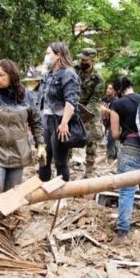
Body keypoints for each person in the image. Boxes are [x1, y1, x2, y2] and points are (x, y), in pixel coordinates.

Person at [0, 59, 45, 195]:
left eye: (1, 75)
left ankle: (4, 217)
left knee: (12, 193)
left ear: (11, 76)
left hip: (18, 151)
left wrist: (40, 143)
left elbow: (35, 121)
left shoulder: (26, 96)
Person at [108, 77, 140, 243]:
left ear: (118, 90)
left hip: (132, 147)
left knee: (126, 189)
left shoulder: (117, 104)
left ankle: (123, 231)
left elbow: (115, 134)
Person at [38, 42, 81, 183]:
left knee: (60, 160)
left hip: (60, 121)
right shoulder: (48, 75)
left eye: (48, 53)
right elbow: (41, 101)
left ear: (58, 55)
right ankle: (44, 193)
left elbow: (71, 101)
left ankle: (61, 197)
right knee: (43, 158)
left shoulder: (69, 74)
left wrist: (64, 123)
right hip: (46, 120)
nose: (46, 57)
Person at [75, 48, 105, 177]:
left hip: (90, 110)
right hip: (73, 105)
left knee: (92, 138)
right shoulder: (74, 70)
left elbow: (94, 100)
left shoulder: (98, 79)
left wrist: (84, 113)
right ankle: (64, 163)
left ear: (92, 60)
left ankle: (89, 169)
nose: (82, 61)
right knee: (67, 134)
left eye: (85, 59)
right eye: (81, 59)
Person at [101, 84, 119, 162]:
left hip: (113, 123)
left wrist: (104, 109)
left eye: (110, 88)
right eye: (107, 88)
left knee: (110, 141)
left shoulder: (115, 101)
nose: (107, 90)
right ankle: (116, 156)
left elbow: (114, 113)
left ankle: (110, 158)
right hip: (105, 123)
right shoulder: (104, 99)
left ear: (114, 91)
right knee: (111, 141)